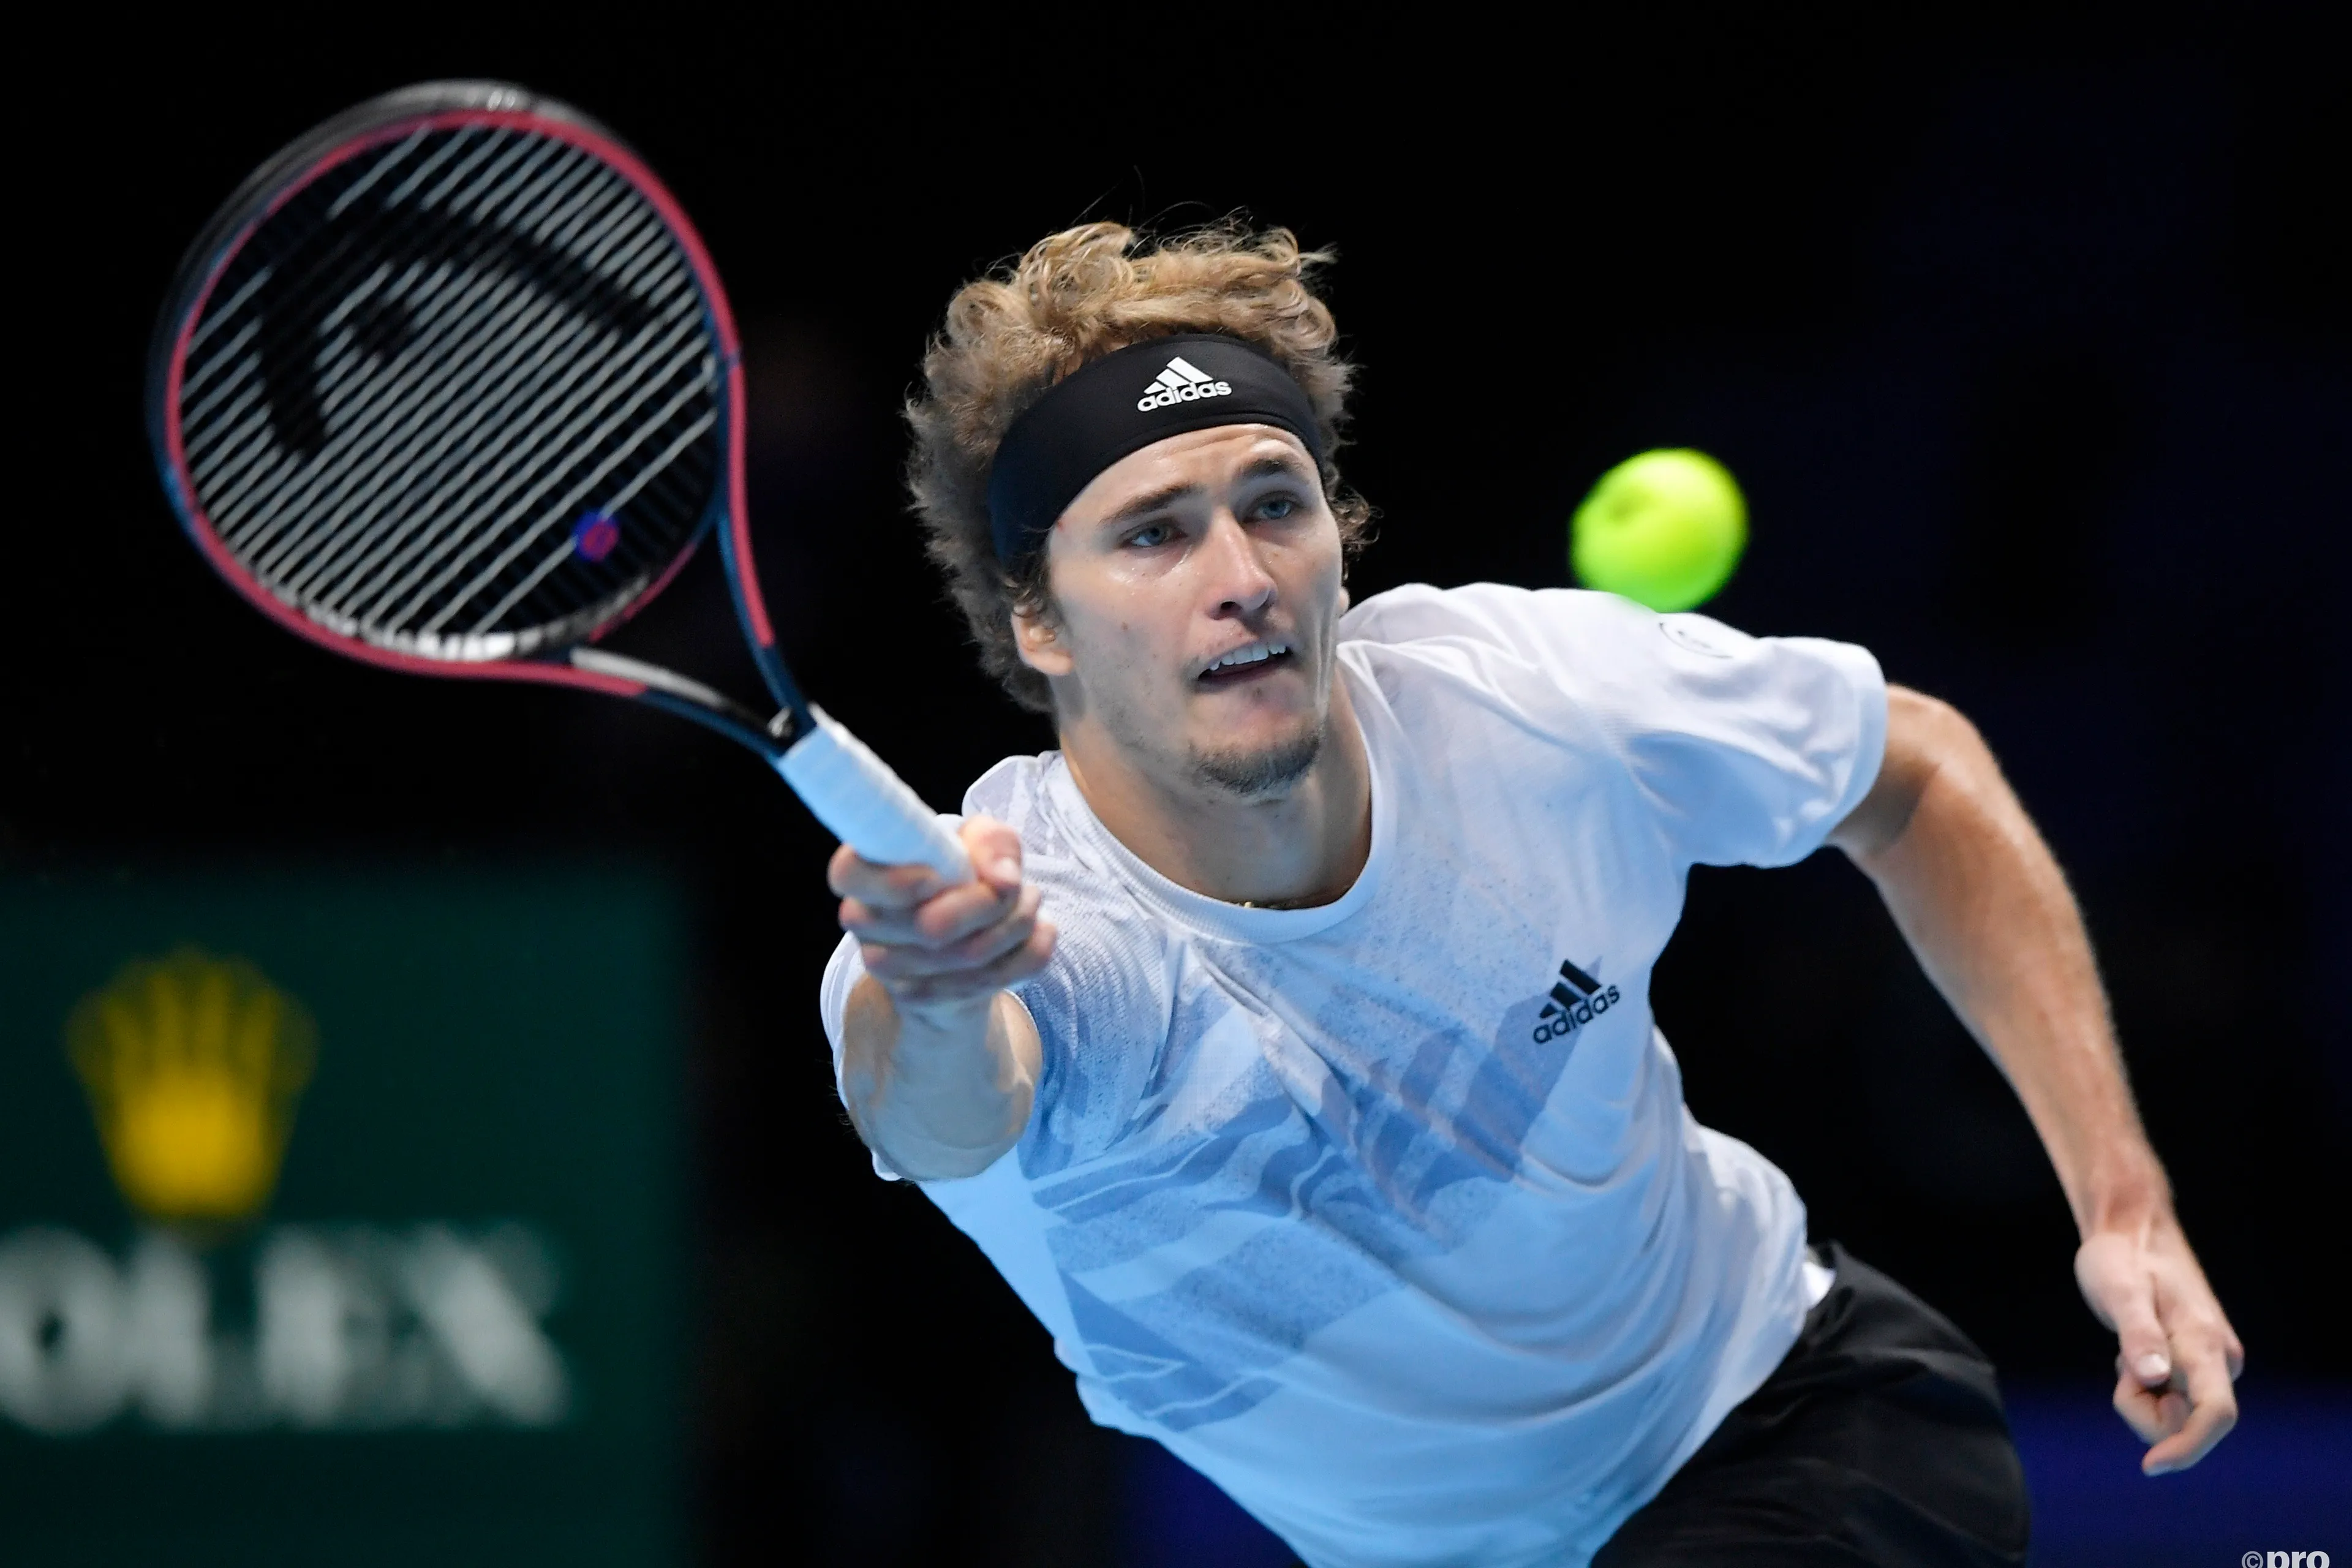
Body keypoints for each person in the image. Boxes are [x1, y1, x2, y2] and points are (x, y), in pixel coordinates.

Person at [815, 222, 2242, 1566]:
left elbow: (1910, 770)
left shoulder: (1527, 708)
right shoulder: (1007, 922)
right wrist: (936, 995)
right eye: (1154, 533)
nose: (1242, 576)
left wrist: (2125, 1204)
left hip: (1790, 1421)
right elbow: (942, 1107)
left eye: (1275, 504)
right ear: (1038, 617)